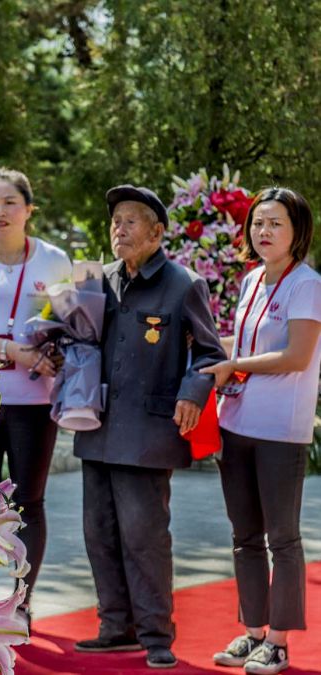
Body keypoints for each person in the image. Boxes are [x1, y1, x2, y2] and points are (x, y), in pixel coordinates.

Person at [73, 185, 225, 668]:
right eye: (115, 219)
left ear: (157, 232)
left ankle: (157, 634)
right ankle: (115, 626)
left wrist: (191, 394)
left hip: (149, 434)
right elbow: (79, 340)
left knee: (145, 537)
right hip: (96, 426)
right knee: (99, 534)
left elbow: (210, 353)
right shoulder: (97, 280)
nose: (119, 228)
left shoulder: (183, 284)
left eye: (131, 220)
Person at [200, 188, 321, 675]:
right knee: (244, 536)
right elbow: (244, 342)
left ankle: (280, 642)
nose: (264, 232)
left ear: (298, 232)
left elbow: (297, 355)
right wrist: (209, 348)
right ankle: (253, 632)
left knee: (283, 539)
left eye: (275, 223)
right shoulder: (251, 280)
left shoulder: (307, 284)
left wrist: (233, 363)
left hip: (279, 430)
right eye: (258, 223)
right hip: (236, 423)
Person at [0, 168, 72, 627]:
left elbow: (76, 329)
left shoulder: (55, 261)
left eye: (9, 202)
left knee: (30, 501)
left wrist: (53, 355)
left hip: (35, 403)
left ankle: (22, 601)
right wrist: (11, 349)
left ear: (29, 209)